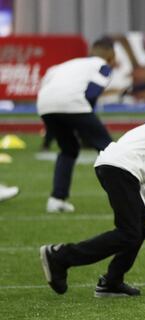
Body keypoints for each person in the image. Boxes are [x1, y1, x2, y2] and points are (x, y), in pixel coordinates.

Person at [40, 109, 145, 297]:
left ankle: (112, 281)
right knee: (129, 233)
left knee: (142, 224)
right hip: (120, 170)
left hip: (111, 166)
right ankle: (60, 257)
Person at [37, 37, 116, 213]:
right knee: (111, 151)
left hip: (44, 104)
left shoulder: (67, 64)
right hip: (73, 102)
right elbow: (91, 94)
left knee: (68, 149)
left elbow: (47, 87)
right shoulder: (102, 66)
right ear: (111, 57)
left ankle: (56, 199)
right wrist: (86, 129)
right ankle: (132, 196)